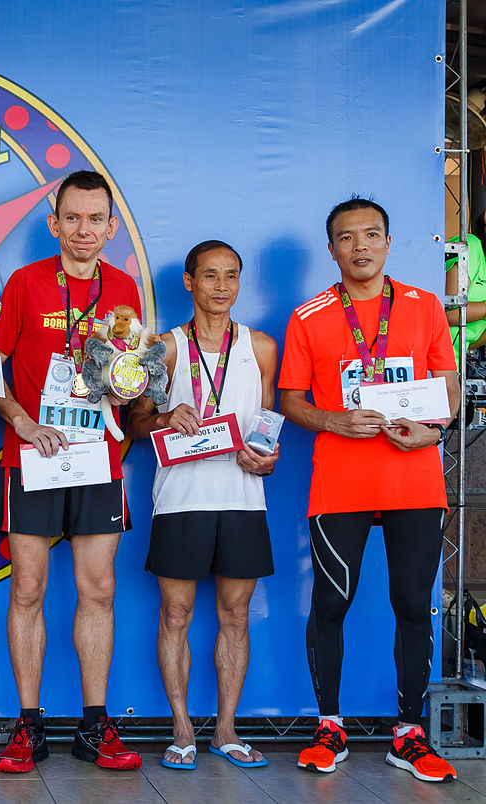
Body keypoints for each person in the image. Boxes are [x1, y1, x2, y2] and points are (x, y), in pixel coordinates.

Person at [280, 197, 459, 782]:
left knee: (412, 604)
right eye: (346, 237)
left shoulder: (425, 305)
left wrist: (432, 430)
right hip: (342, 482)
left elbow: (450, 392)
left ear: (388, 242)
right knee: (331, 604)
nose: (360, 246)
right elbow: (290, 400)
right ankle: (328, 726)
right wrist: (333, 421)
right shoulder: (309, 317)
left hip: (414, 478)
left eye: (371, 235)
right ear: (331, 248)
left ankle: (408, 733)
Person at [0, 169, 142, 773]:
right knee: (28, 589)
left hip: (98, 457)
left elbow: (132, 377)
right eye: (71, 218)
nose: (83, 230)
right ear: (54, 224)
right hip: (35, 454)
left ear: (110, 227)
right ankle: (29, 727)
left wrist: (132, 382)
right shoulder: (25, 284)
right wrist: (22, 422)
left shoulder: (124, 287)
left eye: (95, 219)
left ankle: (94, 725)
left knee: (97, 589)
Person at [125, 240, 278, 770]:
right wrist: (165, 419)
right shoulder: (163, 349)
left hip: (242, 500)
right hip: (180, 500)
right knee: (176, 613)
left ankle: (228, 732)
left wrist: (268, 459)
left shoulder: (260, 347)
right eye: (210, 275)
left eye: (231, 276)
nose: (221, 286)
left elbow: (267, 428)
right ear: (188, 282)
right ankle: (183, 729)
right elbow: (135, 423)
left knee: (236, 614)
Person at [444, 210, 486, 359]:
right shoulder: (472, 245)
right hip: (427, 361)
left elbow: (469, 340)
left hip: (453, 366)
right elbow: (449, 313)